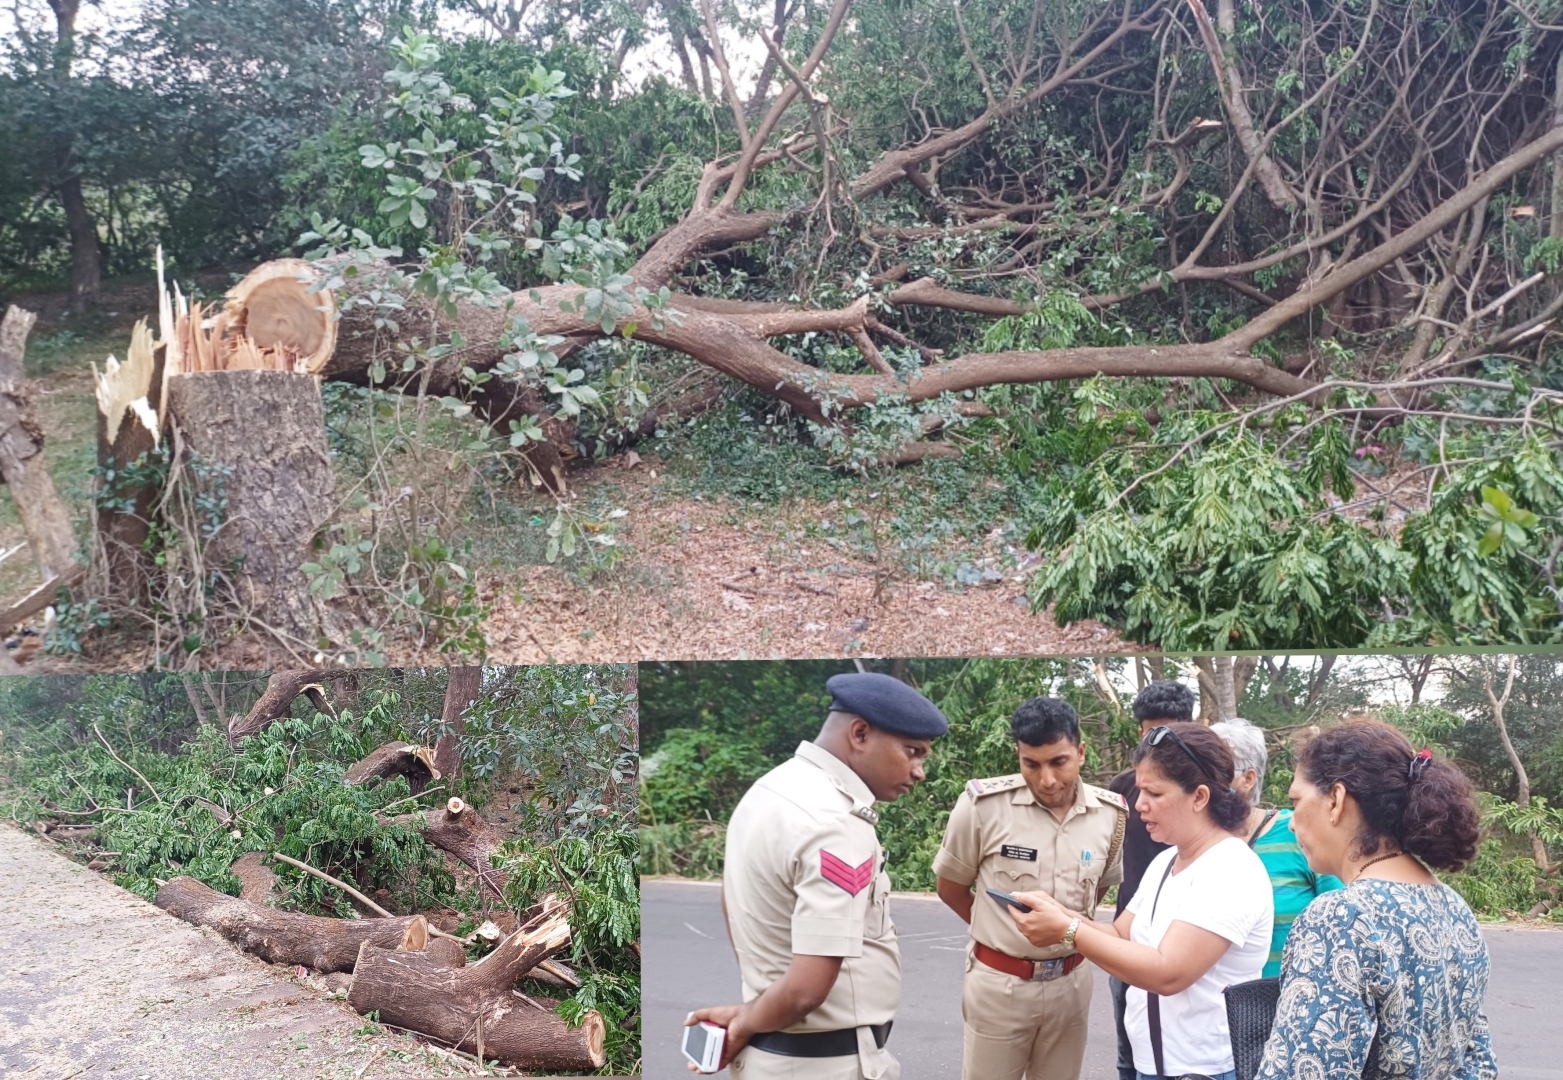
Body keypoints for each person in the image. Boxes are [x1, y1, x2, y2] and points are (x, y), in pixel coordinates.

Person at [685, 671, 948, 1080]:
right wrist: (744, 1022)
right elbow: (807, 989)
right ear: (859, 733)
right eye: (913, 752)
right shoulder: (835, 822)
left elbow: (732, 900)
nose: (919, 771)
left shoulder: (770, 789)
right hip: (824, 1063)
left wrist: (753, 1009)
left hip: (777, 1056)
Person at [1007, 722, 1273, 1080]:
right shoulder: (1167, 861)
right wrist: (1061, 914)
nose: (1139, 804)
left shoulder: (1230, 868)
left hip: (1206, 1070)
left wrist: (1068, 931)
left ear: (1199, 797)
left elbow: (1168, 972)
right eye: (1139, 790)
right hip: (1154, 1064)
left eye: (1154, 794)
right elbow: (1121, 934)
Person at [1256, 721, 1498, 1080]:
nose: (1290, 823)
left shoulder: (1341, 918)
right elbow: (1477, 1062)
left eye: (1296, 800)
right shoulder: (1453, 907)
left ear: (1335, 800)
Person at [932, 697, 1127, 1080]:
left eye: (1059, 762)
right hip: (999, 985)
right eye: (1031, 764)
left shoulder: (1111, 816)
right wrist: (1002, 932)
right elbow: (950, 886)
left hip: (1071, 986)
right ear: (1018, 755)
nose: (1047, 780)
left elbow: (1096, 894)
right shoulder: (982, 807)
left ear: (1081, 752)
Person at [1106, 680, 1195, 1080]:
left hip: (1188, 937)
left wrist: (1068, 928)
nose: (1145, 804)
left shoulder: (1202, 791)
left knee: (1182, 1055)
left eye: (1168, 734)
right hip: (1130, 930)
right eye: (1149, 733)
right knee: (1131, 1052)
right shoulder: (1121, 789)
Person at [1209, 717, 1342, 976]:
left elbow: (1338, 920)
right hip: (1214, 1008)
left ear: (1248, 779)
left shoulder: (1296, 832)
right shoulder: (1195, 843)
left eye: (1214, 774)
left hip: (1289, 1003)